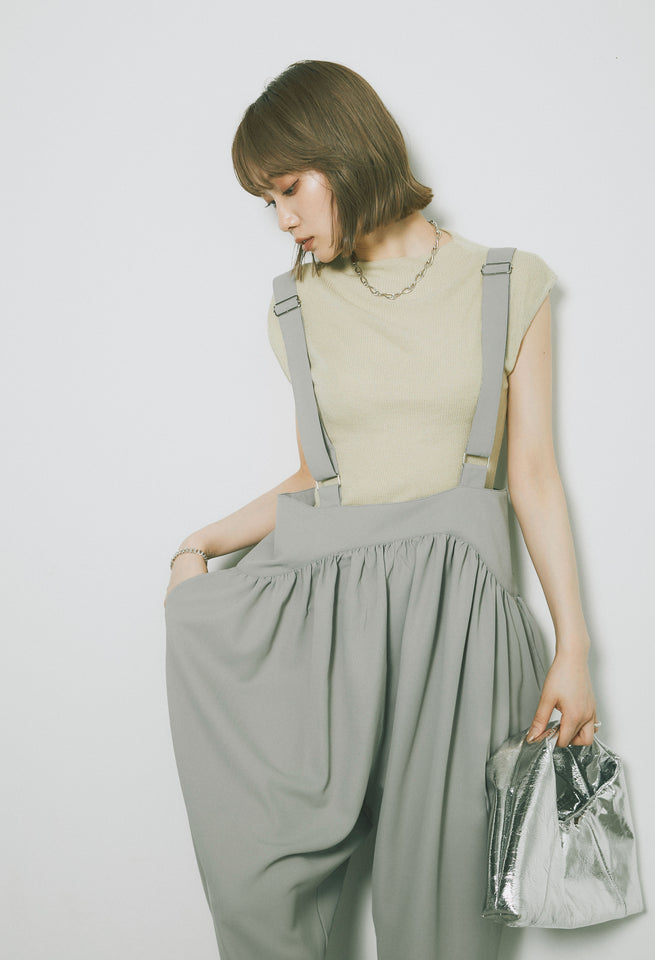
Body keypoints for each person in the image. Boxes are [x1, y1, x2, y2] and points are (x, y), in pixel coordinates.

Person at [164, 60, 598, 960]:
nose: (282, 219)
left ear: (346, 153)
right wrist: (200, 543)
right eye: (267, 202)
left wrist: (574, 648)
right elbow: (320, 474)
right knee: (260, 884)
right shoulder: (295, 305)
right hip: (324, 621)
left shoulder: (505, 282)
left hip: (460, 619)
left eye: (289, 188)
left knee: (445, 916)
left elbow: (533, 476)